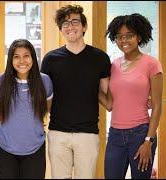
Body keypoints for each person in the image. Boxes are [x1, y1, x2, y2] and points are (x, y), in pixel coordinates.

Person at [40, 4, 111, 179]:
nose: (70, 26)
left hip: (87, 133)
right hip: (58, 133)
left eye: (75, 22)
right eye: (65, 23)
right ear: (61, 30)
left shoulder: (100, 58)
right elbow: (44, 96)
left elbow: (107, 97)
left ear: (84, 27)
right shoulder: (50, 59)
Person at [104, 13, 163, 179]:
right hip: (115, 134)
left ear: (138, 37)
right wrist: (90, 87)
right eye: (119, 36)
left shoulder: (152, 64)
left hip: (140, 134)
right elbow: (109, 104)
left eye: (129, 35)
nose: (124, 40)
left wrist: (148, 141)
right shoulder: (113, 65)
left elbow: (157, 105)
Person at [0, 39, 53, 179]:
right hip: (4, 148)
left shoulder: (44, 81)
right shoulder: (2, 81)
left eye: (26, 55)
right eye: (16, 56)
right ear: (11, 60)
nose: (22, 61)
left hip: (35, 149)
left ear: (33, 57)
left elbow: (47, 109)